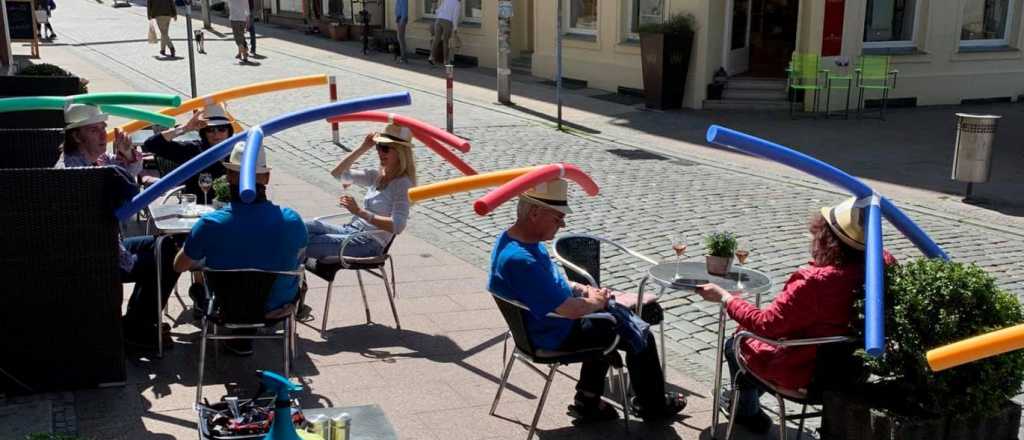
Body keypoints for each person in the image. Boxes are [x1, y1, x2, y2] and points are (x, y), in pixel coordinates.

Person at [488, 180, 687, 423]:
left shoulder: (513, 241)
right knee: (640, 330)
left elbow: (552, 284)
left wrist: (583, 289)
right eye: (558, 217)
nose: (563, 223)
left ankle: (589, 399)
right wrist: (599, 302)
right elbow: (570, 310)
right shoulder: (522, 260)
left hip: (540, 327)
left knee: (626, 318)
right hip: (554, 334)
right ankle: (652, 406)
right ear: (535, 213)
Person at [695, 197, 897, 434]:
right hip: (852, 373)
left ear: (826, 238)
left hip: (805, 374)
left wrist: (725, 298)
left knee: (735, 343)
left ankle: (747, 412)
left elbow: (766, 324)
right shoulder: (882, 264)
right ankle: (744, 402)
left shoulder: (815, 282)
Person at [55, 104, 182, 351]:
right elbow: (125, 202)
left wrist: (125, 155)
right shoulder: (74, 173)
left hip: (110, 245)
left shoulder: (91, 160)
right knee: (169, 257)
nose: (104, 136)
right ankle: (139, 326)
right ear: (76, 135)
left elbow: (123, 171)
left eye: (104, 128)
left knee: (166, 244)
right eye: (94, 131)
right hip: (96, 258)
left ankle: (137, 322)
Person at [173, 143, 307, 356]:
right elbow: (300, 255)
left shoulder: (211, 224)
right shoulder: (292, 220)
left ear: (229, 177)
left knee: (199, 283)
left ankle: (237, 338)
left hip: (227, 308)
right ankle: (243, 340)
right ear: (267, 178)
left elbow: (179, 266)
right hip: (276, 308)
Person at [304, 124, 415, 260]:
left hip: (368, 242)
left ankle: (287, 278)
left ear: (400, 152)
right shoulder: (377, 175)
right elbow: (338, 174)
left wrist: (359, 212)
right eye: (378, 146)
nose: (380, 152)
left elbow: (398, 226)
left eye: (385, 148)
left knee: (298, 243)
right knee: (300, 226)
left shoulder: (403, 184)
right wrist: (363, 147)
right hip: (352, 230)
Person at [142, 103, 232, 204]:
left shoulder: (238, 151)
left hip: (231, 209)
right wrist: (185, 128)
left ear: (229, 131)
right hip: (198, 209)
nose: (216, 134)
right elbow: (151, 144)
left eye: (222, 129)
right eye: (210, 130)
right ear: (204, 132)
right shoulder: (193, 150)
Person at [428, 0, 459, 66]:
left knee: (436, 39)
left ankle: (431, 57)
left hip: (439, 20)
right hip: (447, 22)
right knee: (446, 41)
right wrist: (455, 28)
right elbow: (455, 16)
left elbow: (439, 10)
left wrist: (435, 12)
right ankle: (445, 61)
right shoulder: (457, 3)